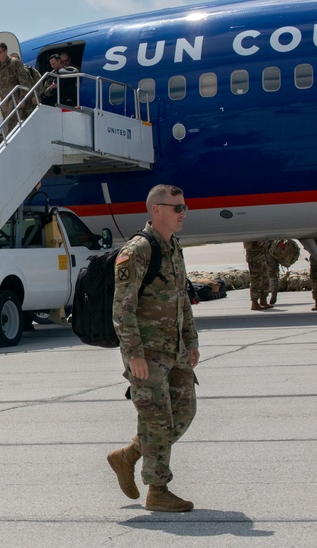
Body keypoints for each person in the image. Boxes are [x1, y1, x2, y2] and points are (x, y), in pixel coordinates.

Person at [108, 185, 199, 513]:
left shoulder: (174, 247)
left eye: (184, 207)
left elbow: (182, 300)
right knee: (157, 418)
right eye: (177, 208)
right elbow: (122, 307)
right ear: (156, 210)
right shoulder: (138, 250)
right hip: (147, 353)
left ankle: (129, 455)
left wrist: (191, 342)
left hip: (173, 350)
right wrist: (134, 355)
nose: (183, 213)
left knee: (184, 411)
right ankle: (157, 490)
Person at [0, 42, 36, 137]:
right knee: (7, 121)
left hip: (15, 97)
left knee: (13, 120)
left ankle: (12, 140)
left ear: (6, 51)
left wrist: (22, 98)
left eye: (0, 52)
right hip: (4, 99)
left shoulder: (15, 62)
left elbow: (23, 81)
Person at [243, 241, 275, 310]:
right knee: (256, 279)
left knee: (265, 277)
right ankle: (254, 303)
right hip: (254, 251)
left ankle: (263, 301)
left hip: (261, 251)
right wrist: (259, 240)